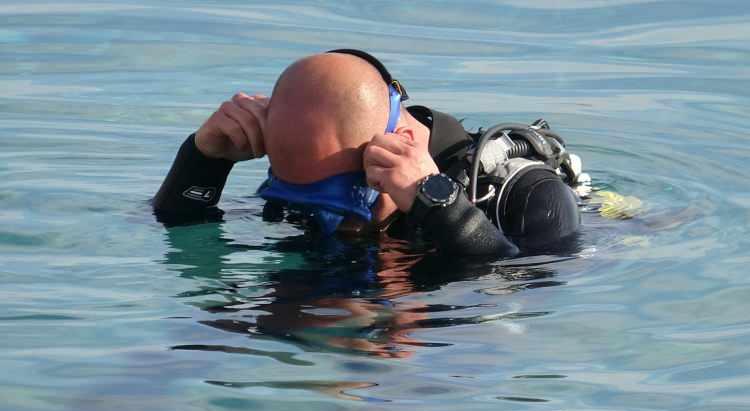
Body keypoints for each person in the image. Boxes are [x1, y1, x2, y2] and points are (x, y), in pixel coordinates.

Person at [153, 49, 582, 256]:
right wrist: (204, 159)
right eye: (305, 201)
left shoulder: (527, 199)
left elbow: (524, 314)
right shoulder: (312, 185)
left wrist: (440, 204)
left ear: (401, 146)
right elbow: (181, 235)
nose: (334, 226)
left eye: (345, 203)